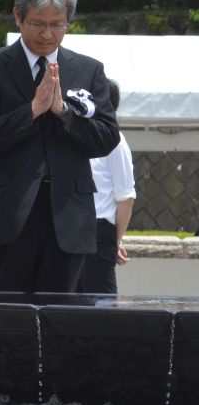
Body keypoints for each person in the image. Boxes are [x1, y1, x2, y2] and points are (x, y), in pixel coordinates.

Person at [0, 0, 120, 293]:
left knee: (61, 324)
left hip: (69, 219)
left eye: (57, 25)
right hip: (8, 217)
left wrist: (64, 112)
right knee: (6, 323)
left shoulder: (88, 70)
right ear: (17, 16)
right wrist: (32, 110)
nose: (48, 34)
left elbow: (106, 138)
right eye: (38, 23)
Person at [79, 79, 135, 295]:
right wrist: (116, 240)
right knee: (92, 307)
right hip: (81, 230)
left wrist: (114, 241)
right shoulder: (110, 139)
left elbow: (126, 198)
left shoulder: (115, 141)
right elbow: (126, 199)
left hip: (93, 230)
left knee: (96, 306)